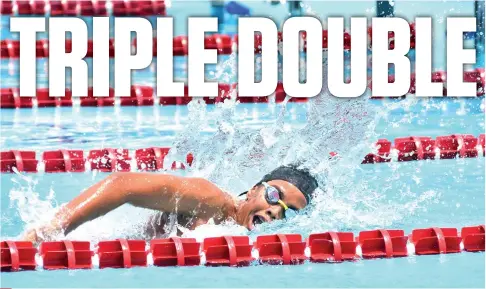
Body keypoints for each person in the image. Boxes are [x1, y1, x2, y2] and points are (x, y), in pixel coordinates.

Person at [23, 165, 318, 243]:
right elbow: (122, 185)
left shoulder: (240, 233)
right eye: (274, 196)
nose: (275, 210)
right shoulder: (212, 202)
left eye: (287, 212)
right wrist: (52, 228)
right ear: (255, 189)